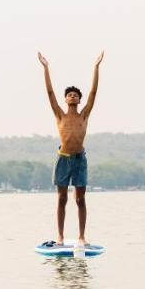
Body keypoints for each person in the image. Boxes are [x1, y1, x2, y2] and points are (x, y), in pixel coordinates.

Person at [38, 50, 103, 245]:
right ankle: (60, 236)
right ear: (66, 99)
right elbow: (50, 93)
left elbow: (93, 93)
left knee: (80, 199)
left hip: (79, 160)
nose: (72, 96)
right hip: (63, 158)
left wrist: (96, 66)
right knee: (62, 198)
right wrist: (46, 67)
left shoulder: (84, 115)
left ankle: (82, 236)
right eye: (69, 95)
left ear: (79, 100)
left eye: (75, 95)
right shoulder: (60, 115)